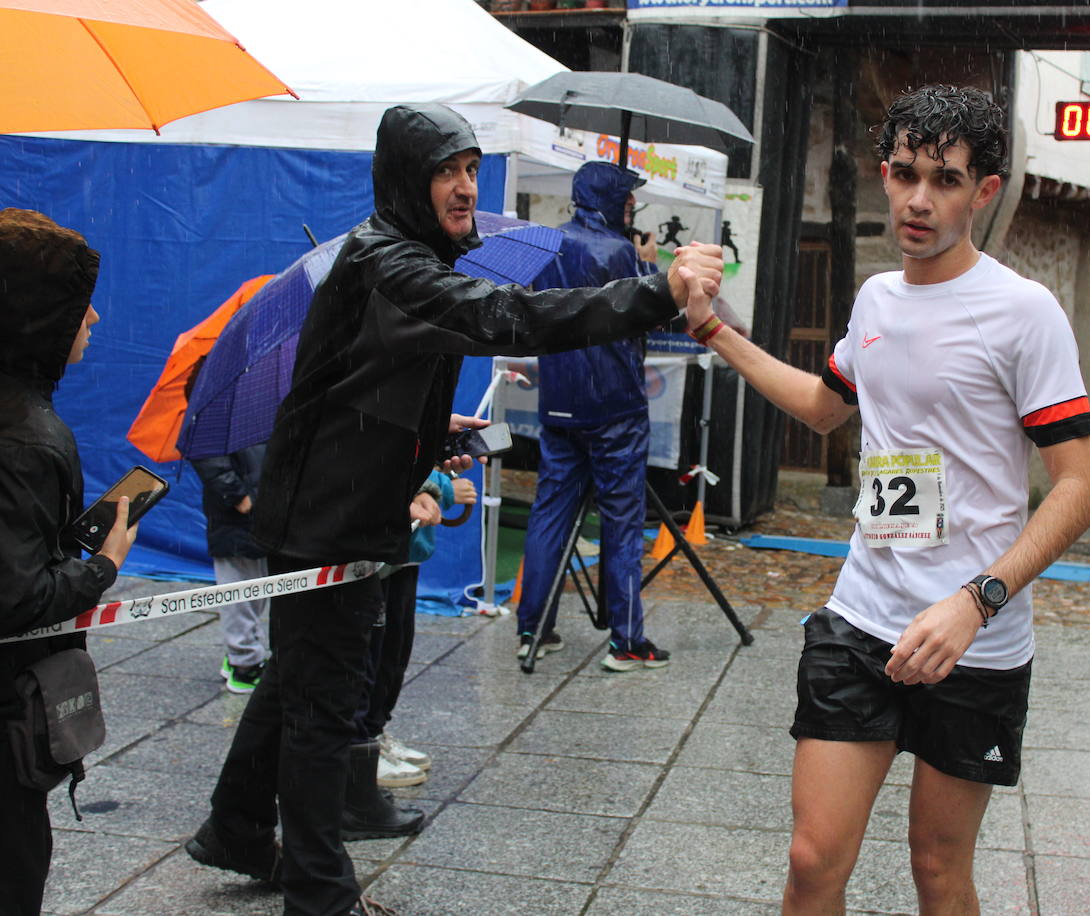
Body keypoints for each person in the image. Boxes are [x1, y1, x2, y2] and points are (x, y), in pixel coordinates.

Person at [183, 104, 721, 916]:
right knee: (324, 710)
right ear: (408, 179)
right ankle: (320, 895)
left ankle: (236, 826)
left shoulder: (409, 255)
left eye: (470, 168)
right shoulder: (392, 264)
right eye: (445, 171)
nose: (465, 186)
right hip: (328, 519)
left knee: (299, 677)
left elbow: (360, 379)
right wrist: (656, 293)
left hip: (339, 504)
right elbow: (504, 317)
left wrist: (433, 430)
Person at [675, 85, 1090, 914]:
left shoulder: (1024, 313)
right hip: (862, 618)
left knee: (937, 869)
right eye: (905, 174)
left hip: (974, 638)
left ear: (984, 191)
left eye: (946, 179)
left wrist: (976, 602)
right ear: (884, 175)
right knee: (811, 860)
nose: (919, 199)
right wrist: (711, 329)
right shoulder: (876, 298)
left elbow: (1081, 485)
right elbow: (822, 406)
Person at [0, 208, 139, 916]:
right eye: (79, 303)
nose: (94, 319)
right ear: (38, 313)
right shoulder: (29, 437)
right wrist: (103, 564)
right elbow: (17, 596)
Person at [516, 161, 670, 672]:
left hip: (560, 401)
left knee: (550, 514)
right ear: (608, 199)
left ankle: (533, 627)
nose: (632, 207)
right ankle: (626, 640)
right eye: (627, 199)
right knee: (622, 522)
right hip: (613, 406)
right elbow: (647, 311)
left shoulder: (548, 244)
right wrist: (648, 266)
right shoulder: (619, 250)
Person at [342, 470, 476, 840]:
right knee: (366, 657)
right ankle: (357, 752)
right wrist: (439, 487)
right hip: (370, 540)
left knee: (393, 650)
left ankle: (368, 740)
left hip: (402, 543)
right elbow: (370, 455)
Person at [188, 440, 271, 693]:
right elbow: (205, 452)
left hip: (261, 508)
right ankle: (245, 665)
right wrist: (238, 495)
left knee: (255, 592)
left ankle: (243, 655)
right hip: (237, 515)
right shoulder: (213, 417)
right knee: (239, 593)